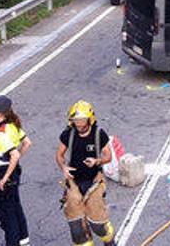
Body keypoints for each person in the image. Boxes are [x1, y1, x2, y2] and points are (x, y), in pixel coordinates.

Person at [56, 101, 116, 246]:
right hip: (74, 184)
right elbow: (59, 155)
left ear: (90, 119)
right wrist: (63, 167)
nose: (79, 125)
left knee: (98, 225)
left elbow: (108, 157)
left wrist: (97, 161)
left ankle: (109, 240)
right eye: (76, 121)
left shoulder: (99, 134)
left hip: (94, 182)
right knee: (77, 229)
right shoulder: (68, 134)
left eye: (82, 121)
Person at [0, 95, 32, 246]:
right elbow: (27, 143)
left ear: (0, 113)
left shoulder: (1, 132)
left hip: (2, 174)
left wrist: (5, 177)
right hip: (13, 172)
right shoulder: (13, 125)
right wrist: (14, 163)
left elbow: (15, 154)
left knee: (7, 214)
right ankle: (24, 240)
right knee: (15, 207)